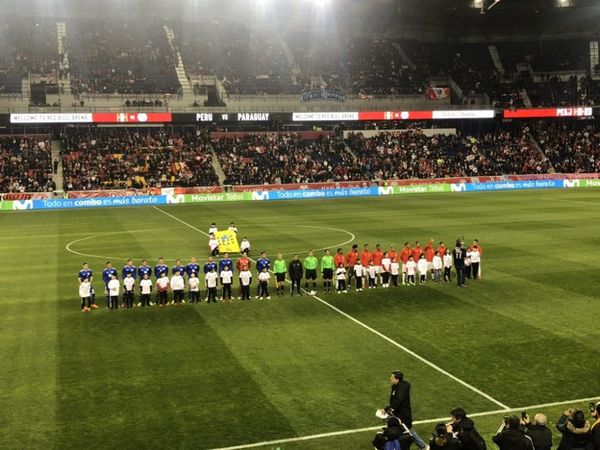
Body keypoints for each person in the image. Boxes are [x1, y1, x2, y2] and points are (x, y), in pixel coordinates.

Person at [382, 371, 428, 450]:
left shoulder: (401, 389)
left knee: (408, 430)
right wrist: (389, 408)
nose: (390, 378)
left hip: (403, 414)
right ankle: (423, 446)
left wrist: (390, 409)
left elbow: (398, 400)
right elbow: (395, 400)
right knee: (404, 429)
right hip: (397, 413)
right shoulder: (396, 386)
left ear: (397, 379)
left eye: (392, 377)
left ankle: (423, 447)